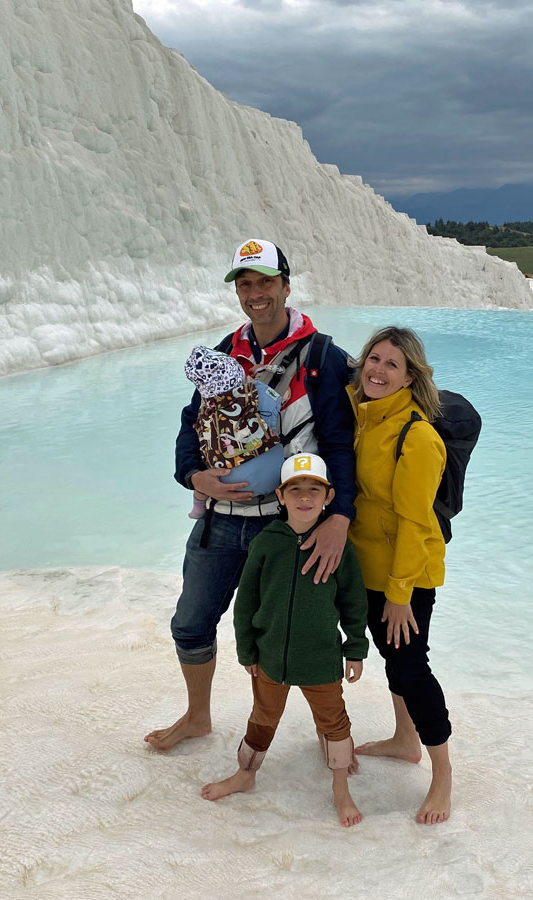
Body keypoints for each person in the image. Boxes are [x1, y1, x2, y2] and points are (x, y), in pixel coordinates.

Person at [144, 239, 357, 752]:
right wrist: (194, 478)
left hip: (286, 525)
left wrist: (341, 516)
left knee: (286, 634)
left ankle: (312, 734)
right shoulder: (224, 354)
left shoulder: (322, 356)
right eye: (245, 284)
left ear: (286, 286)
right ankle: (198, 717)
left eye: (265, 282)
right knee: (191, 623)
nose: (256, 293)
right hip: (219, 519)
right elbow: (190, 424)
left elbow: (340, 443)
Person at [200, 453, 369, 826]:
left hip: (321, 658)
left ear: (329, 497)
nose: (305, 498)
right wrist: (247, 649)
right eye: (296, 490)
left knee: (334, 721)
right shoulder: (266, 543)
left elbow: (354, 601)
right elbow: (246, 603)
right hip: (270, 656)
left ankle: (341, 787)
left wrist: (355, 647)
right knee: (263, 717)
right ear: (280, 495)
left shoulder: (339, 547)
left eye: (314, 490)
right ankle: (246, 774)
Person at [348, 325, 453, 825]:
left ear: (411, 376)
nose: (379, 370)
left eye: (393, 364)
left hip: (406, 575)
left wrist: (399, 594)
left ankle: (442, 774)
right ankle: (404, 738)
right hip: (368, 566)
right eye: (374, 358)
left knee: (411, 666)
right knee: (395, 657)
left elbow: (415, 521)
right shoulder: (361, 417)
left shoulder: (418, 436)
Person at [182, 345, 283, 519]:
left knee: (204, 475)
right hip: (272, 480)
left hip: (222, 482)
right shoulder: (254, 394)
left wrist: (192, 476)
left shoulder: (205, 409)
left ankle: (198, 504)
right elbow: (275, 403)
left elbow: (192, 432)